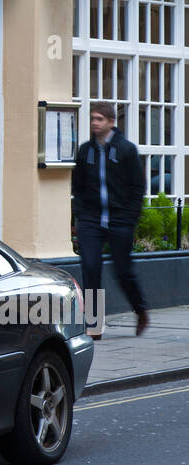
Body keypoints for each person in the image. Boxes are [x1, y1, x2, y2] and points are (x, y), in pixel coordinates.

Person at [72, 100, 149, 337]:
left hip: (120, 221)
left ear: (111, 122)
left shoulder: (126, 150)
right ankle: (94, 325)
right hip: (92, 221)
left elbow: (138, 187)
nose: (95, 123)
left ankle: (140, 310)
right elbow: (79, 187)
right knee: (90, 267)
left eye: (99, 119)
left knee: (123, 271)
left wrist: (130, 218)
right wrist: (81, 217)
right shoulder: (86, 151)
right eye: (93, 119)